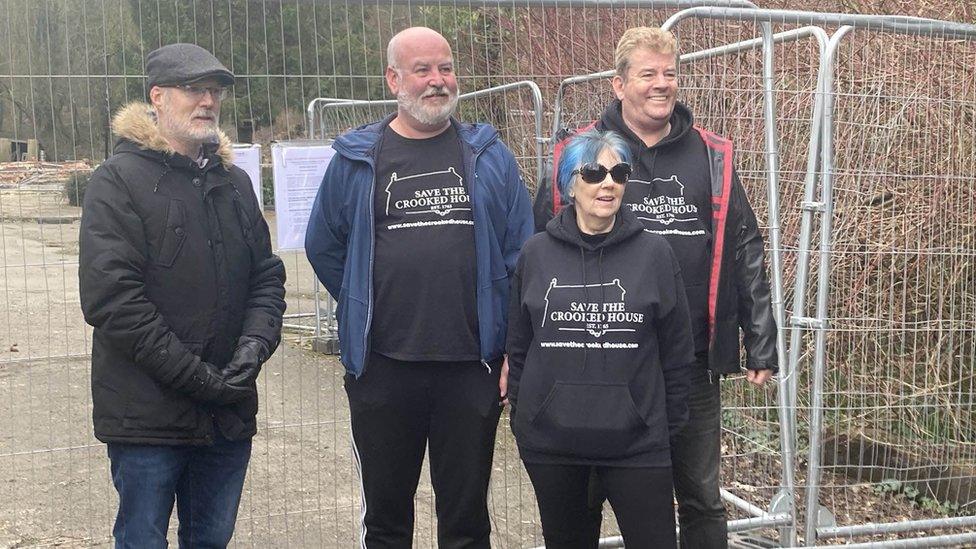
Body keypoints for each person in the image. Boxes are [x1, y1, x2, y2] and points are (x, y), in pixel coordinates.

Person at [533, 27, 778, 549]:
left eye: (670, 73)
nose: (662, 85)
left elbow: (745, 245)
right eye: (648, 74)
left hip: (686, 362)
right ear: (619, 84)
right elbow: (538, 253)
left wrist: (760, 338)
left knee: (701, 497)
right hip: (597, 357)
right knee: (588, 497)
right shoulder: (580, 153)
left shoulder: (711, 156)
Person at [304, 26, 533, 548]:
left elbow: (523, 254)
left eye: (446, 68)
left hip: (470, 369)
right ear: (394, 79)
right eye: (423, 70)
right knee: (385, 521)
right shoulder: (356, 159)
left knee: (467, 521)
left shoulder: (489, 156)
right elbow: (325, 245)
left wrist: (510, 348)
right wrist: (365, 303)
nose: (438, 81)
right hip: (383, 368)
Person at [78, 43, 286, 548]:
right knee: (142, 539)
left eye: (214, 92)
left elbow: (266, 277)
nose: (208, 102)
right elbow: (112, 300)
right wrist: (197, 378)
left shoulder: (235, 184)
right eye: (193, 90)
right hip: (147, 417)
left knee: (212, 540)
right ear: (158, 97)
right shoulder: (118, 182)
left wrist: (252, 350)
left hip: (227, 415)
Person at [506, 129, 695, 548]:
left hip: (638, 447)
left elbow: (678, 353)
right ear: (570, 183)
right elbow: (518, 349)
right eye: (593, 172)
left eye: (619, 172)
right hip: (554, 448)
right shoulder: (535, 255)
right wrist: (527, 421)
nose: (607, 183)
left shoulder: (655, 254)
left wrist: (663, 427)